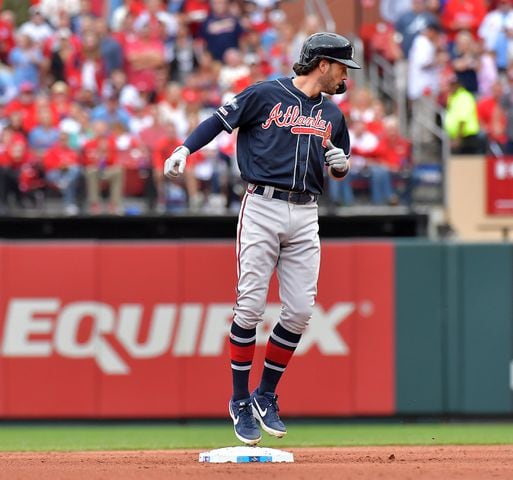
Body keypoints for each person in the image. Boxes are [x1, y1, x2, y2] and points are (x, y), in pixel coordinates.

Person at [163, 32, 359, 444]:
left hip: (306, 211)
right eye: (342, 66)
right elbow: (219, 119)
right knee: (250, 307)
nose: (346, 75)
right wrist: (185, 148)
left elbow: (338, 163)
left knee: (301, 310)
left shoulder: (334, 116)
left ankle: (265, 394)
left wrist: (342, 165)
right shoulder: (266, 93)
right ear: (322, 64)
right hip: (263, 204)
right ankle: (239, 400)